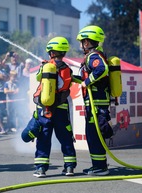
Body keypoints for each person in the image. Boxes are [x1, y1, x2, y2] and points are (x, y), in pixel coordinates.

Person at [22, 37, 77, 178]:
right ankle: (69, 167)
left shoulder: (46, 66)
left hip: (45, 109)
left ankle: (41, 169)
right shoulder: (67, 69)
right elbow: (67, 84)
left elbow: (38, 78)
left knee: (44, 137)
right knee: (65, 137)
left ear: (51, 52)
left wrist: (45, 66)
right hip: (61, 108)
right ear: (63, 52)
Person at [76, 25, 113, 176]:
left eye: (82, 41)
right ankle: (97, 165)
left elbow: (102, 69)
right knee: (92, 135)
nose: (80, 45)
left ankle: (101, 167)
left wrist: (87, 81)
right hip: (94, 103)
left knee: (95, 135)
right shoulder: (92, 56)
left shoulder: (93, 56)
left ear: (87, 42)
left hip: (97, 104)